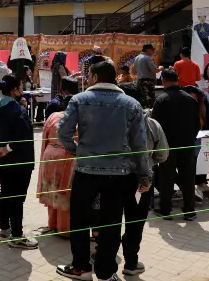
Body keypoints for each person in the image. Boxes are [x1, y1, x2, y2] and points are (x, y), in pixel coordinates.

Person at [56, 61, 150, 281]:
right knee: (112, 223)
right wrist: (144, 175)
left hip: (86, 170)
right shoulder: (132, 104)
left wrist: (77, 151)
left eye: (88, 75)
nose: (87, 79)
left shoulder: (79, 100)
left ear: (95, 77)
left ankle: (81, 267)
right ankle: (106, 273)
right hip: (120, 173)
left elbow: (63, 133)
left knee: (79, 220)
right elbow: (140, 145)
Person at [119, 83, 169, 276]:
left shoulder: (109, 123)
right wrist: (149, 162)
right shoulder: (151, 124)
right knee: (135, 221)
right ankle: (131, 262)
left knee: (111, 219)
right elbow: (163, 153)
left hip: (112, 177)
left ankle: (104, 259)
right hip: (142, 179)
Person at [0, 74, 39, 249]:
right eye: (21, 86)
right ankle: (17, 235)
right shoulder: (18, 111)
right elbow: (24, 135)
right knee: (17, 198)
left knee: (5, 193)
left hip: (1, 158)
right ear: (14, 90)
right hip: (19, 159)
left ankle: (5, 229)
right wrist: (10, 147)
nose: (22, 89)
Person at [151, 69, 200, 220]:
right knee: (188, 176)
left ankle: (165, 210)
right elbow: (197, 123)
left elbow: (154, 124)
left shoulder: (162, 99)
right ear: (177, 80)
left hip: (168, 144)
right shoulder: (190, 98)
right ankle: (189, 210)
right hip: (187, 144)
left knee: (167, 176)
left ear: (163, 81)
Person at [37, 78, 79, 239]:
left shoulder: (53, 116)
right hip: (67, 157)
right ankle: (65, 228)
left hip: (49, 155)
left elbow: (44, 139)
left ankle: (52, 223)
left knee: (51, 189)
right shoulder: (78, 120)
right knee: (64, 193)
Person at [132, 44, 163, 108]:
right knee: (150, 102)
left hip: (140, 82)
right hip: (148, 82)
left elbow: (133, 71)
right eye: (152, 50)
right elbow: (155, 70)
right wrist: (160, 68)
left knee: (142, 101)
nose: (153, 52)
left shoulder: (137, 58)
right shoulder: (147, 58)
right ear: (148, 50)